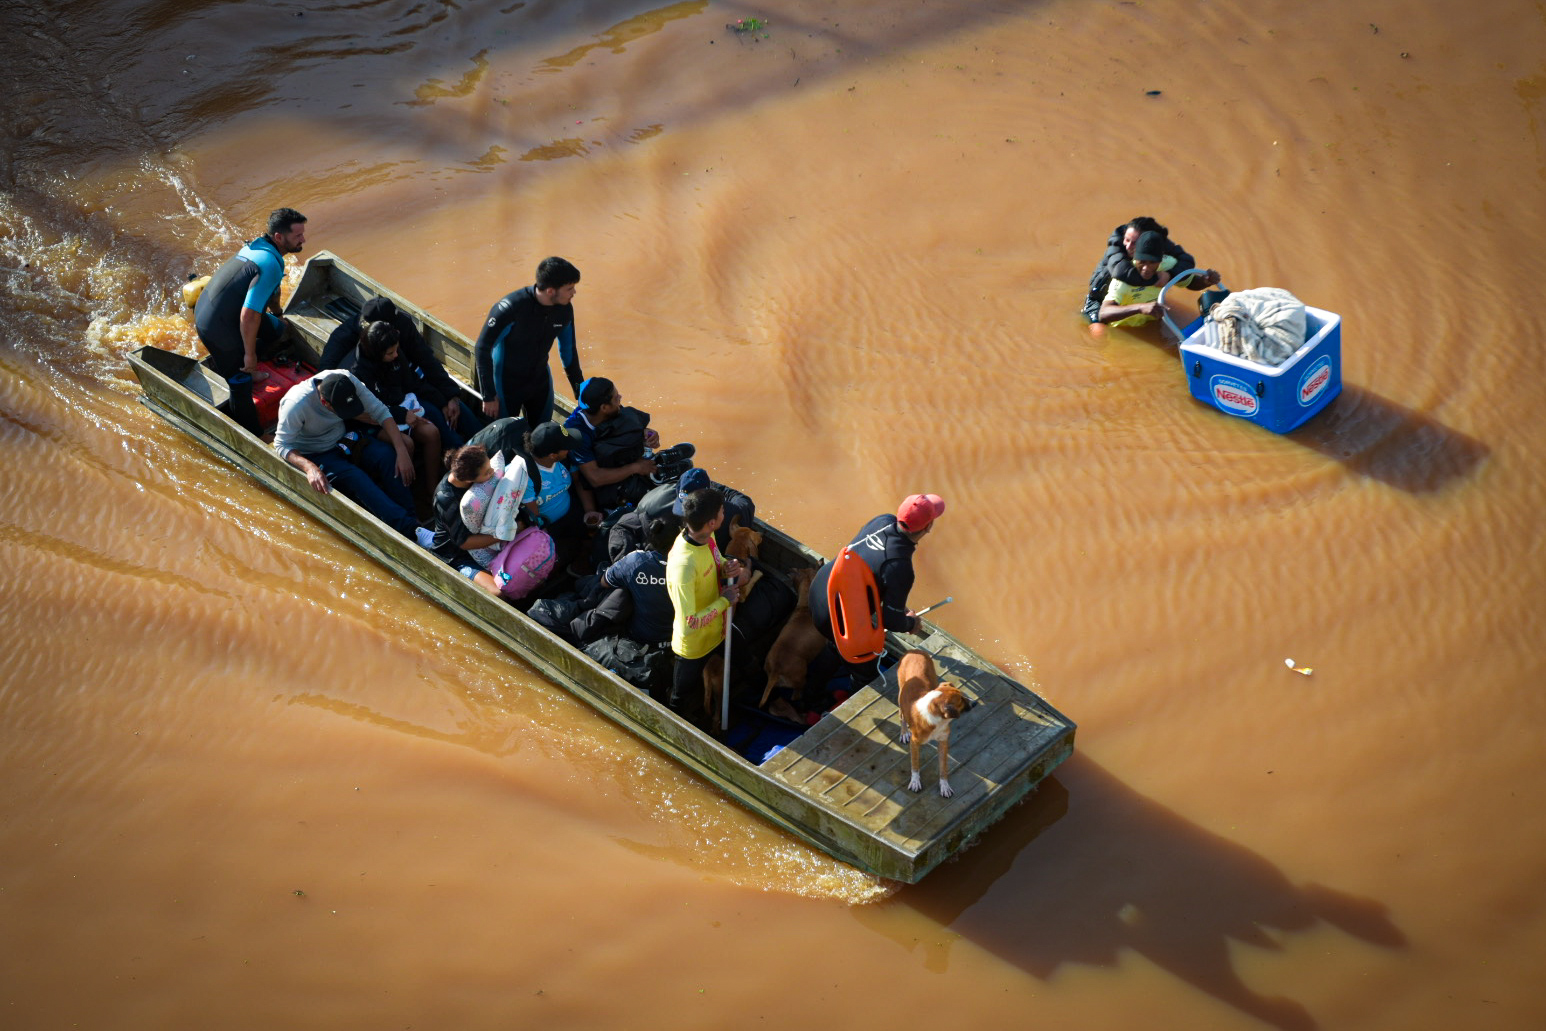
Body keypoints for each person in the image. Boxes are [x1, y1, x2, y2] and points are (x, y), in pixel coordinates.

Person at [808, 493, 945, 684]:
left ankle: (816, 681)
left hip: (819, 590)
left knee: (835, 644)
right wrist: (911, 623)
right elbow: (891, 621)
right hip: (835, 616)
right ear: (928, 526)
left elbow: (870, 565)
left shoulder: (882, 520)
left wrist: (897, 605)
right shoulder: (900, 566)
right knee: (867, 671)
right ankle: (828, 692)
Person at [193, 208, 307, 433]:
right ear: (279, 237)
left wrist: (278, 315)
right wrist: (250, 354)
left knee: (277, 329)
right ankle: (250, 433)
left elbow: (272, 293)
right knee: (239, 383)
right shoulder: (270, 263)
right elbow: (249, 314)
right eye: (297, 236)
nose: (304, 239)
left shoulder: (261, 248)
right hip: (216, 325)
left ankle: (247, 365)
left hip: (224, 310)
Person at [271, 369, 418, 538]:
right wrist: (309, 467)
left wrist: (401, 451)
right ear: (325, 402)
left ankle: (413, 520)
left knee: (387, 456)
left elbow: (381, 412)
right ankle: (409, 530)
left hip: (345, 438)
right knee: (356, 478)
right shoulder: (295, 404)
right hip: (316, 453)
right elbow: (281, 444)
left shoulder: (346, 379)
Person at [319, 295, 482, 441]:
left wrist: (450, 396)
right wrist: (325, 385)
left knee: (459, 410)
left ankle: (485, 440)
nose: (396, 331)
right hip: (388, 392)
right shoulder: (358, 358)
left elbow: (425, 359)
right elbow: (331, 359)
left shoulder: (402, 325)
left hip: (405, 377)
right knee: (435, 417)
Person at [473, 256, 585, 428]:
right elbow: (482, 348)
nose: (574, 293)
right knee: (503, 437)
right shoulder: (510, 308)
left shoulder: (564, 310)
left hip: (539, 381)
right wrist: (488, 395)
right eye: (569, 288)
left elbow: (569, 353)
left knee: (542, 437)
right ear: (550, 291)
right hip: (505, 384)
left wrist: (580, 393)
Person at [666, 488, 748, 720]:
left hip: (720, 630)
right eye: (722, 511)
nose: (725, 513)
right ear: (712, 522)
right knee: (679, 699)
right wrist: (725, 601)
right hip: (693, 647)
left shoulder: (706, 536)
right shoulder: (683, 565)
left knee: (746, 660)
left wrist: (726, 566)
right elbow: (689, 623)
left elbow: (715, 560)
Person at [346, 320, 445, 488]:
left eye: (396, 350)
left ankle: (432, 490)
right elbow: (370, 409)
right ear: (377, 353)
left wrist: (442, 400)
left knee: (432, 433)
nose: (396, 355)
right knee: (406, 444)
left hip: (400, 408)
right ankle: (407, 490)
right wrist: (401, 414)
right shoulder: (358, 373)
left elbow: (408, 383)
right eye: (390, 353)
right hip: (373, 421)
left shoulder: (396, 354)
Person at [1082, 216, 1218, 324]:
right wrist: (1141, 306)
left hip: (1145, 305)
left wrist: (1205, 281)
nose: (1128, 246)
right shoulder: (1122, 270)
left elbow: (1188, 280)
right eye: (1127, 240)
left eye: (1134, 242)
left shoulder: (1166, 260)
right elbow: (1104, 313)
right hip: (1102, 301)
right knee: (1098, 333)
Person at [428, 443, 511, 595]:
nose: (492, 473)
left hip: (486, 538)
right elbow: (464, 543)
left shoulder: (473, 468)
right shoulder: (447, 500)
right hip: (456, 556)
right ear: (468, 479)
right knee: (497, 593)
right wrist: (505, 533)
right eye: (486, 473)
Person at [523, 421, 599, 571]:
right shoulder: (526, 476)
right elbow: (535, 517)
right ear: (553, 455)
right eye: (566, 447)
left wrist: (589, 510)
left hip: (572, 512)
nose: (570, 449)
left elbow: (577, 482)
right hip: (549, 528)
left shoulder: (565, 460)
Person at [602, 516, 679, 645]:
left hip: (640, 637)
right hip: (677, 640)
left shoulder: (635, 561)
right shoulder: (690, 566)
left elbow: (604, 582)